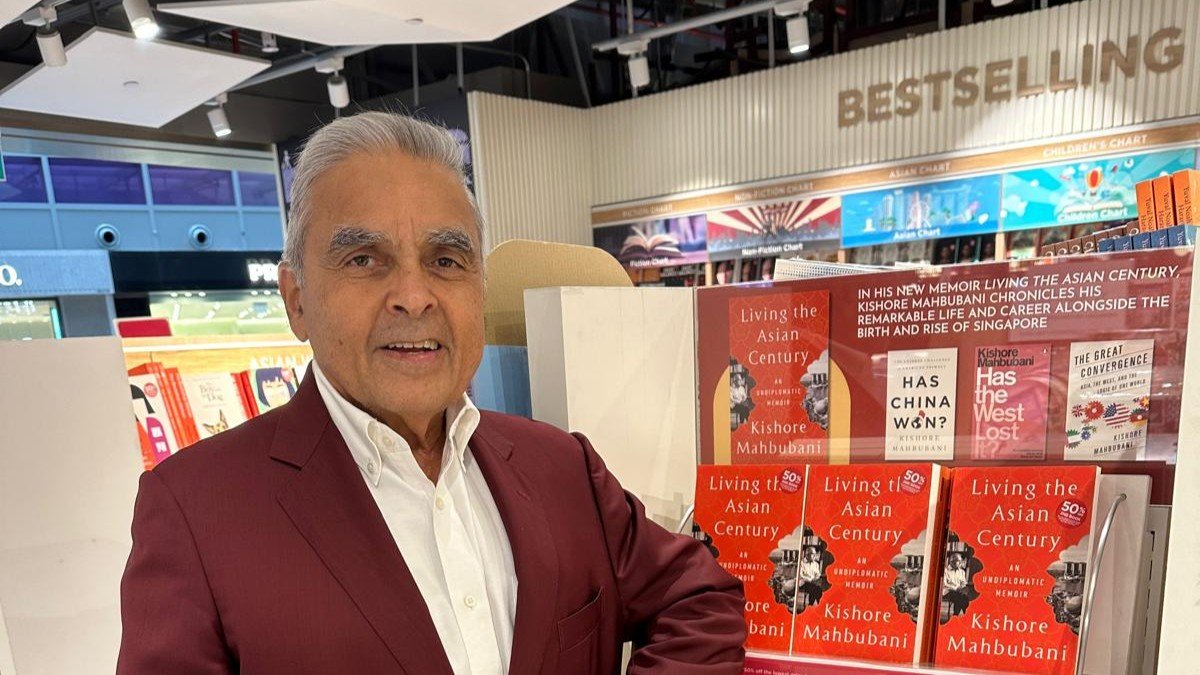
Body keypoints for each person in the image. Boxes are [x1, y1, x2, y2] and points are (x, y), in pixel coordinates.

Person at [117, 112, 747, 675]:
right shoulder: (196, 511)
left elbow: (698, 600)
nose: (414, 296)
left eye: (446, 260)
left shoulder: (563, 466)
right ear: (296, 299)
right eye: (364, 259)